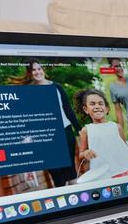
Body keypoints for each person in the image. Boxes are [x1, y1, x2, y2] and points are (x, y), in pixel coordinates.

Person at [8, 59, 81, 187]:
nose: (37, 72)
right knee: (57, 176)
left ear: (43, 70)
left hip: (65, 132)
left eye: (39, 68)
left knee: (71, 173)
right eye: (33, 70)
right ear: (30, 73)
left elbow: (68, 110)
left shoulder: (57, 87)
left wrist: (80, 130)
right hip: (47, 138)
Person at [74, 89, 128, 179]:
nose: (97, 106)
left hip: (123, 170)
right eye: (92, 104)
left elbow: (125, 149)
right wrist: (85, 153)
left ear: (107, 108)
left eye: (100, 103)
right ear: (86, 109)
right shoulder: (86, 130)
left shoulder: (117, 127)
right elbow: (80, 154)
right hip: (102, 173)